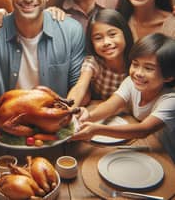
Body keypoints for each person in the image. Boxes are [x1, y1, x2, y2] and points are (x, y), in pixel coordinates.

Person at [72, 33, 175, 162]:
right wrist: (88, 117)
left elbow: (143, 130)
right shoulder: (132, 82)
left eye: (148, 68)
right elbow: (111, 105)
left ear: (168, 76)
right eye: (135, 64)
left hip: (167, 158)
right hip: (146, 148)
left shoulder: (171, 100)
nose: (138, 73)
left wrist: (97, 129)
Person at [68, 9, 133, 107]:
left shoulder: (135, 62)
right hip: (99, 111)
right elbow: (80, 87)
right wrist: (67, 111)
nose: (106, 42)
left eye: (112, 34)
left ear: (125, 33)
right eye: (98, 38)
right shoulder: (93, 62)